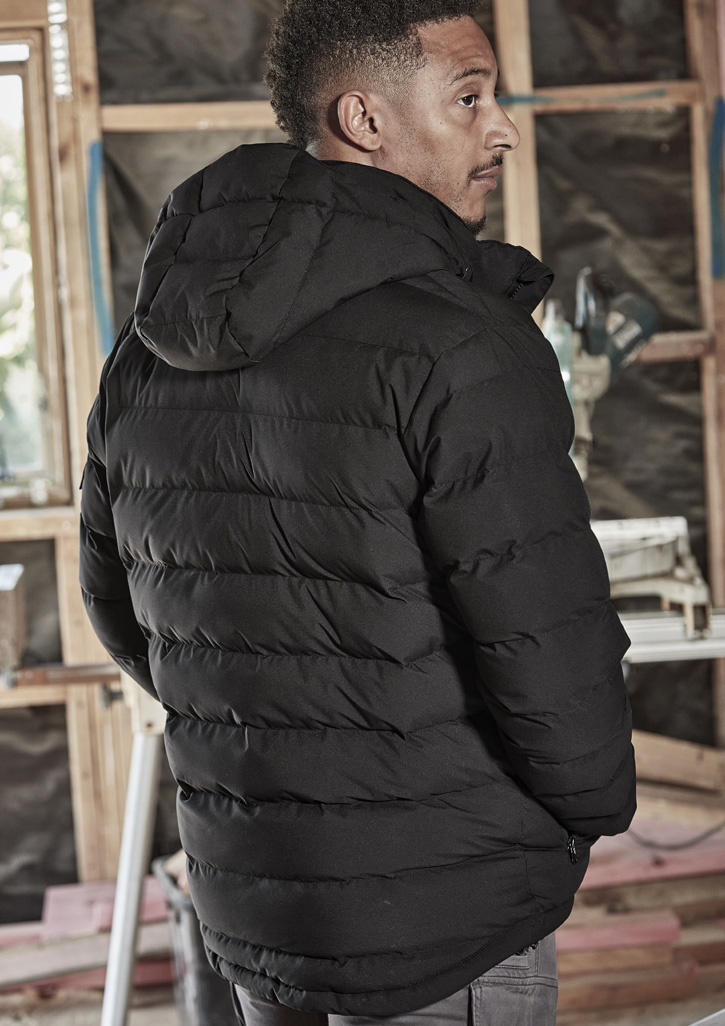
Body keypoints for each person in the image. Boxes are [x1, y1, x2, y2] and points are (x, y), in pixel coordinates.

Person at [78, 1, 637, 1023]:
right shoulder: (463, 343)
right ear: (364, 118)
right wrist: (589, 811)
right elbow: (547, 647)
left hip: (259, 911)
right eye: (467, 97)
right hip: (450, 908)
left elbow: (123, 613)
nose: (501, 128)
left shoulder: (146, 351)